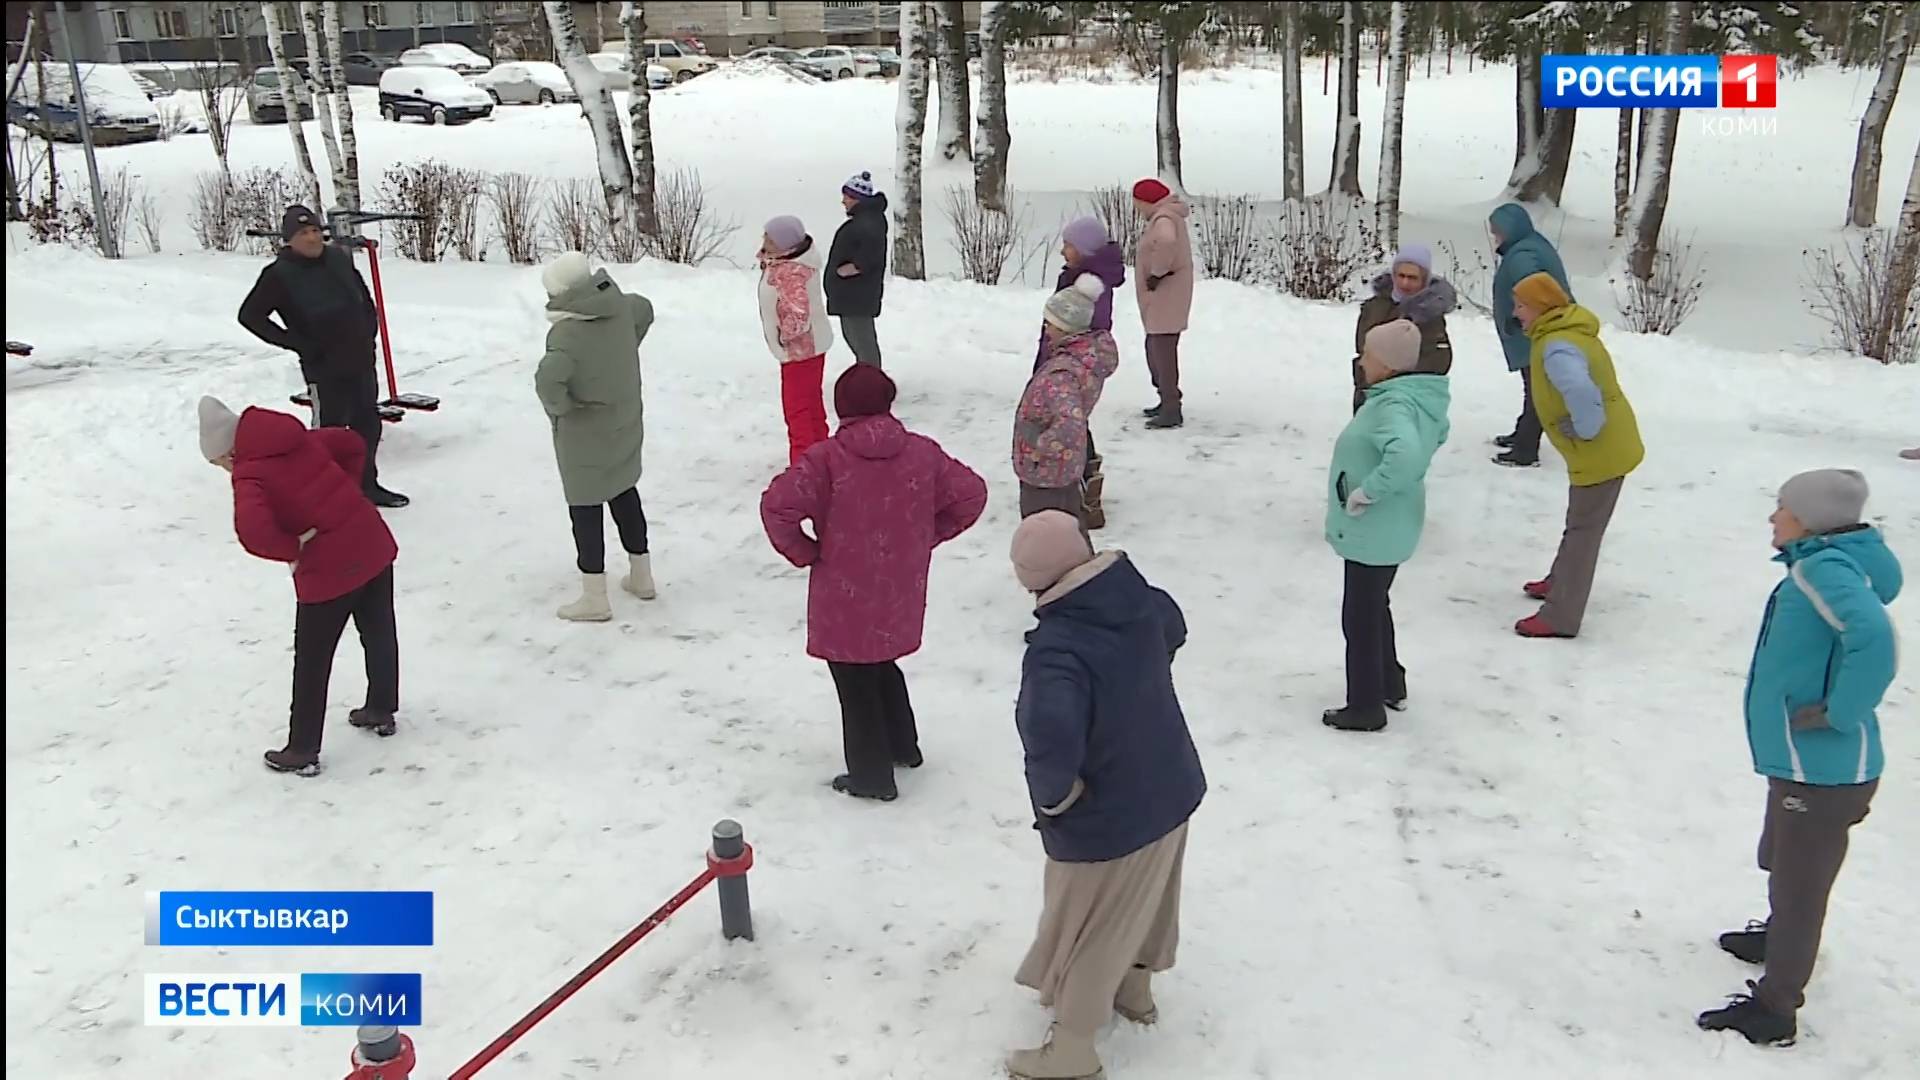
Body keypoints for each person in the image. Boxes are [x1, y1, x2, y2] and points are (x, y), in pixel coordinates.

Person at [1698, 469, 1901, 1048]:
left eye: (1781, 507)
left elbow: (1877, 642)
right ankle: (1777, 935)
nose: (1773, 517)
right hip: (1803, 762)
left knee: (1800, 887)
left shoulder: (1822, 570)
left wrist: (1840, 712)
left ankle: (1776, 1006)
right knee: (1780, 856)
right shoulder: (1824, 562)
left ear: (1810, 520)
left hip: (1825, 772)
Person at [1005, 509, 1205, 1080]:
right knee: (1151, 896)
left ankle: (1072, 1047)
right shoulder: (1137, 596)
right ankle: (1135, 989)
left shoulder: (1059, 650)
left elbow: (1049, 735)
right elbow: (1174, 627)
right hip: (1171, 782)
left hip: (1111, 811)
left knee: (1090, 925)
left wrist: (1057, 799)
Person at [760, 365, 987, 802]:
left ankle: (871, 776)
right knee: (881, 662)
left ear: (841, 407)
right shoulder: (923, 453)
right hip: (900, 585)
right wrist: (928, 534)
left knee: (854, 674)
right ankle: (903, 746)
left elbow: (777, 508)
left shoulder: (826, 460)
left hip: (843, 588)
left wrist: (805, 551)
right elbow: (972, 494)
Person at [198, 396, 399, 777]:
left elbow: (253, 533)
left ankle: (302, 749)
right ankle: (381, 709)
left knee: (312, 659)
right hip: (371, 540)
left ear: (230, 452)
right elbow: (352, 443)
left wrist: (294, 546)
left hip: (328, 566)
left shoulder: (250, 473)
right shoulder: (294, 437)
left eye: (219, 462)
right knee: (378, 631)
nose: (224, 470)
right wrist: (348, 493)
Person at [1322, 321, 1451, 732]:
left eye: (1368, 355)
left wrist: (1366, 492)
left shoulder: (1391, 407)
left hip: (1373, 528)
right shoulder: (1412, 399)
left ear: (1389, 365)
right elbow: (1435, 435)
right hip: (1391, 527)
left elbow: (1406, 454)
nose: (1361, 361)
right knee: (1375, 605)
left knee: (1359, 617)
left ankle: (1365, 706)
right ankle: (1389, 683)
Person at [237, 205, 408, 509]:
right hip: (324, 368)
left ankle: (367, 485)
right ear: (289, 240)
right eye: (304, 233)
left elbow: (362, 296)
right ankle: (327, 493)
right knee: (328, 433)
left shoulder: (337, 259)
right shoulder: (278, 275)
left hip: (359, 359)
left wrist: (370, 328)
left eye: (315, 230)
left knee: (367, 425)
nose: (313, 238)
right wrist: (298, 343)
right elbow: (250, 316)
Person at [1509, 272, 1645, 639]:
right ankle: (1559, 582)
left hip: (1601, 450)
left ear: (1540, 308)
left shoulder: (1557, 348)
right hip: (1603, 448)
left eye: (1521, 305)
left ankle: (1560, 616)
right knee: (1579, 523)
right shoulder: (1563, 333)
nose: (1516, 312)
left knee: (1584, 531)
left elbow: (1583, 393)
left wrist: (1584, 430)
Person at [534, 251, 656, 622]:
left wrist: (561, 407)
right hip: (623, 417)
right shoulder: (620, 307)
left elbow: (548, 380)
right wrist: (624, 349)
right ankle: (642, 576)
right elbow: (645, 309)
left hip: (584, 432)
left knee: (585, 507)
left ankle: (594, 597)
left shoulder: (566, 334)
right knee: (623, 489)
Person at [1038, 217, 1127, 530]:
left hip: (1072, 361)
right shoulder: (1082, 277)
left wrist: (1056, 355)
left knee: (1068, 422)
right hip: (1068, 358)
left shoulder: (1089, 285)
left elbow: (1083, 324)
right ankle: (1084, 483)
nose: (1063, 252)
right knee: (1072, 420)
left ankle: (1084, 490)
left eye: (1068, 246)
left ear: (1085, 250)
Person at [1015, 275, 1118, 527]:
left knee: (1046, 539)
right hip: (1059, 471)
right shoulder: (1081, 361)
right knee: (1065, 536)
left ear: (1066, 327)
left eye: (1050, 324)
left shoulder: (1063, 374)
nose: (1046, 330)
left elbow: (1070, 424)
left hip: (1047, 474)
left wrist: (1039, 445)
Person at [1487, 202, 1572, 468]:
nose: (1495, 237)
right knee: (1533, 388)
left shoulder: (1524, 255)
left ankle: (1525, 449)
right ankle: (1522, 434)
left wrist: (1516, 319)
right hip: (1531, 330)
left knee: (1538, 391)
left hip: (1533, 332)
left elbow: (1534, 291)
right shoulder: (1528, 245)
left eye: (1497, 231)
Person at [757, 214, 835, 465]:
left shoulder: (790, 272)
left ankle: (804, 470)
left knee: (798, 412)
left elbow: (799, 315)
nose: (763, 240)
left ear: (784, 243)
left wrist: (783, 339)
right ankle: (823, 459)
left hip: (799, 352)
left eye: (769, 237)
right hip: (812, 349)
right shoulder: (789, 262)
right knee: (811, 407)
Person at [1351, 243, 1456, 414]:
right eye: (1400, 275)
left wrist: (1397, 376)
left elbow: (1440, 360)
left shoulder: (1430, 313)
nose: (1404, 282)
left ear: (1424, 280)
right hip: (1369, 390)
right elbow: (1362, 346)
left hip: (1407, 399)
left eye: (1412, 277)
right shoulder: (1374, 306)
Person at [1132, 178, 1194, 430]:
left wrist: (1157, 272)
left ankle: (1171, 407)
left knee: (1162, 350)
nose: (1137, 210)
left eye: (1138, 205)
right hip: (1167, 294)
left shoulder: (1164, 220)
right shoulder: (1167, 216)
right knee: (1157, 347)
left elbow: (1166, 243)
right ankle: (1166, 399)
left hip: (1166, 294)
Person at [826, 170, 889, 368]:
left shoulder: (869, 223)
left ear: (857, 198)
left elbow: (871, 254)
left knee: (862, 341)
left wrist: (851, 269)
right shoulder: (865, 220)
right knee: (856, 339)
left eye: (846, 196)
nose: (843, 201)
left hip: (857, 295)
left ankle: (872, 382)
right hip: (852, 295)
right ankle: (867, 378)